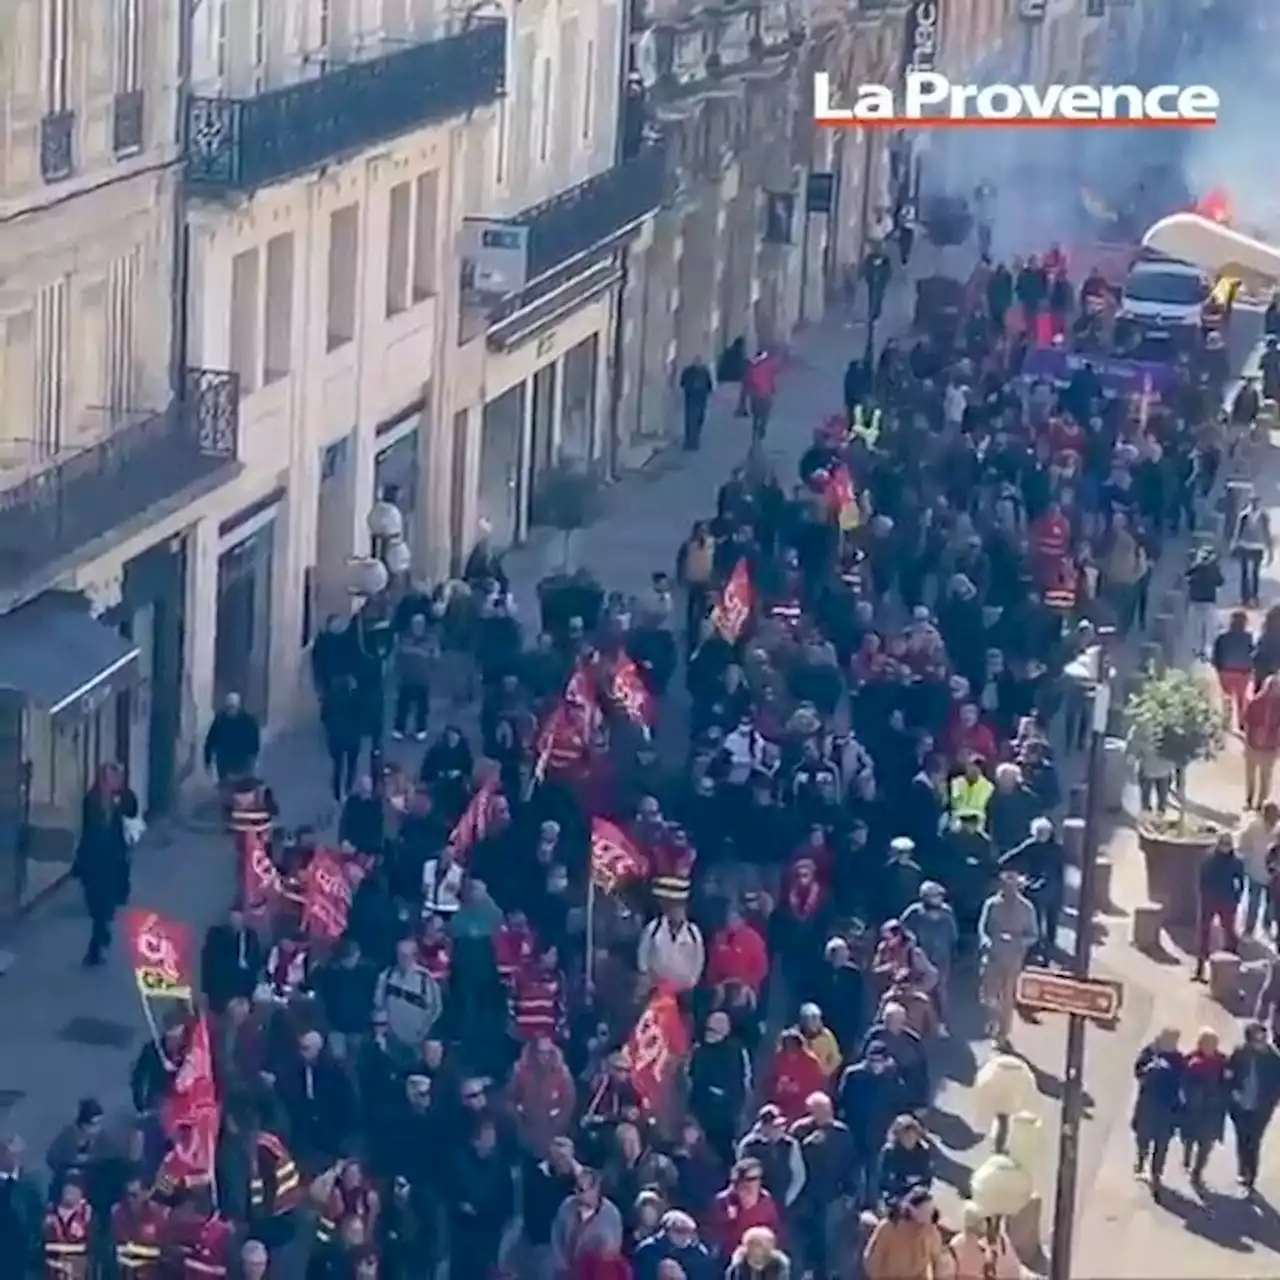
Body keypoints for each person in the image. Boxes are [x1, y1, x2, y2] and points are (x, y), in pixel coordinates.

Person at [73, 763, 140, 967]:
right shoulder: (92, 800)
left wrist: (124, 793)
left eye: (117, 778)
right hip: (95, 859)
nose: (115, 782)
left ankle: (97, 945)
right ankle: (101, 938)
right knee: (96, 903)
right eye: (112, 778)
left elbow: (132, 810)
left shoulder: (118, 799)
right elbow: (90, 830)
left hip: (111, 860)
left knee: (104, 904)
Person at [976, 870, 1038, 1042]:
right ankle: (991, 1019)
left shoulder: (1027, 908)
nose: (1008, 890)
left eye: (1012, 886)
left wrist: (1017, 941)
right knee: (988, 994)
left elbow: (1033, 935)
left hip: (1013, 960)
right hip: (992, 956)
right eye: (1005, 886)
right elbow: (982, 927)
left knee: (1007, 997)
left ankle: (1003, 1032)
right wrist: (985, 940)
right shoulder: (991, 904)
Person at [1226, 1020, 1280, 1192]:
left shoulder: (1273, 1059)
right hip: (1240, 1104)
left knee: (1254, 1140)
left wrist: (1271, 1102)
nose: (1262, 1042)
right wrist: (1232, 1091)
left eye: (1263, 1037)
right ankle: (1243, 1169)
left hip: (1261, 1108)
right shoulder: (1240, 1053)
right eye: (1257, 1039)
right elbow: (1229, 1072)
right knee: (1242, 1139)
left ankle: (1251, 1176)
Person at [1131, 1028, 1183, 1197]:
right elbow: (1138, 1071)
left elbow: (1181, 1082)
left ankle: (1155, 1175)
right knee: (1145, 1139)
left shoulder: (1178, 1059)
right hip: (1151, 1106)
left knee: (1161, 1145)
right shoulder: (1151, 1053)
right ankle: (1142, 1160)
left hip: (1164, 1108)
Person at [680, 359, 714, 451]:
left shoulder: (689, 371)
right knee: (698, 418)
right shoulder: (704, 371)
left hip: (691, 396)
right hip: (700, 396)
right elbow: (709, 384)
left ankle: (690, 440)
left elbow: (682, 383)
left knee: (690, 418)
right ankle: (694, 440)